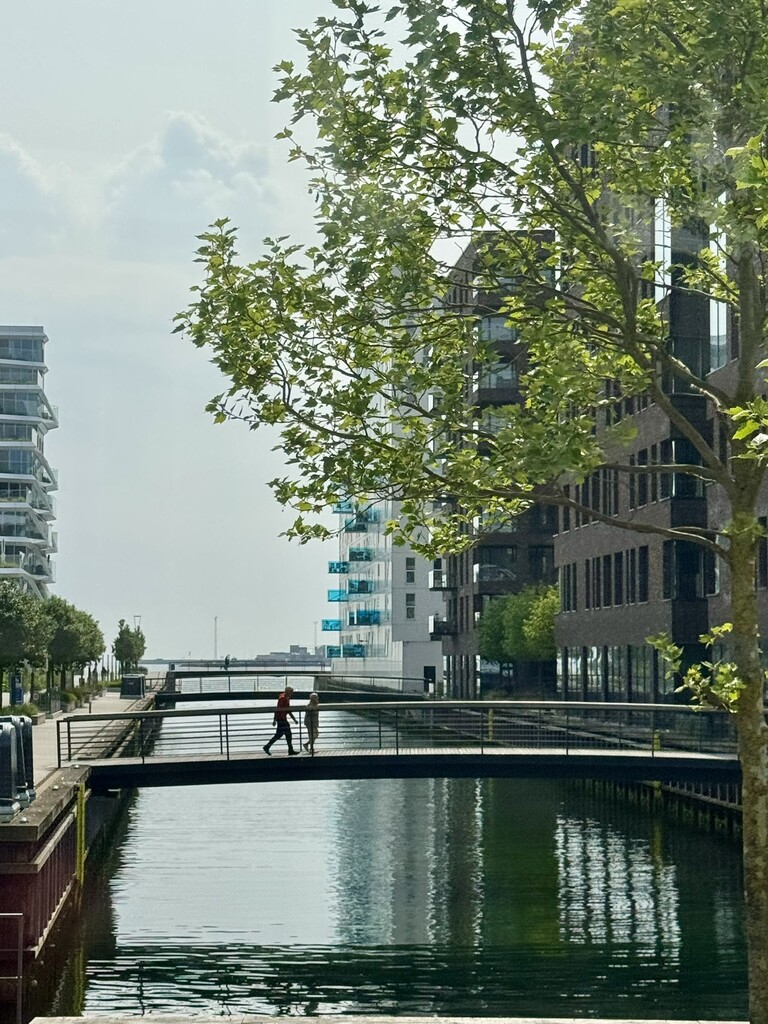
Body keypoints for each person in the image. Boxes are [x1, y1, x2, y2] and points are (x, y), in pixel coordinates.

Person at [263, 685, 299, 755]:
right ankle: (290, 750)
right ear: (287, 692)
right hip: (281, 719)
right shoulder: (283, 698)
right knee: (287, 734)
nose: (291, 694)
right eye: (291, 692)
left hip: (282, 718)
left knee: (280, 734)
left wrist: (294, 719)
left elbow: (287, 710)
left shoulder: (285, 697)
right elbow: (278, 709)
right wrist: (274, 720)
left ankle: (267, 746)